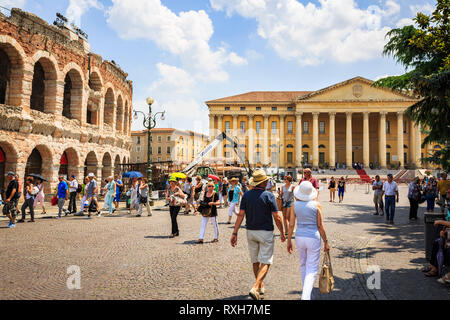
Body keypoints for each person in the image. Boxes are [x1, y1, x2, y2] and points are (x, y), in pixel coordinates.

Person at [231, 169, 285, 300]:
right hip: (265, 232)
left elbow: (240, 216)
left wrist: (235, 232)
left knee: (255, 261)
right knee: (266, 261)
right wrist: (282, 232)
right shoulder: (269, 195)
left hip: (251, 231)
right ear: (264, 182)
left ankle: (260, 286)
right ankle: (256, 286)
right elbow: (277, 216)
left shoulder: (247, 195)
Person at [287, 181, 330, 300]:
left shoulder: (295, 205)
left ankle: (307, 294)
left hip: (300, 237)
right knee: (311, 268)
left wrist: (289, 240)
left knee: (303, 264)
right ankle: (305, 296)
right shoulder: (317, 205)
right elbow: (320, 226)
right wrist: (326, 241)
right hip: (313, 237)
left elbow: (291, 225)